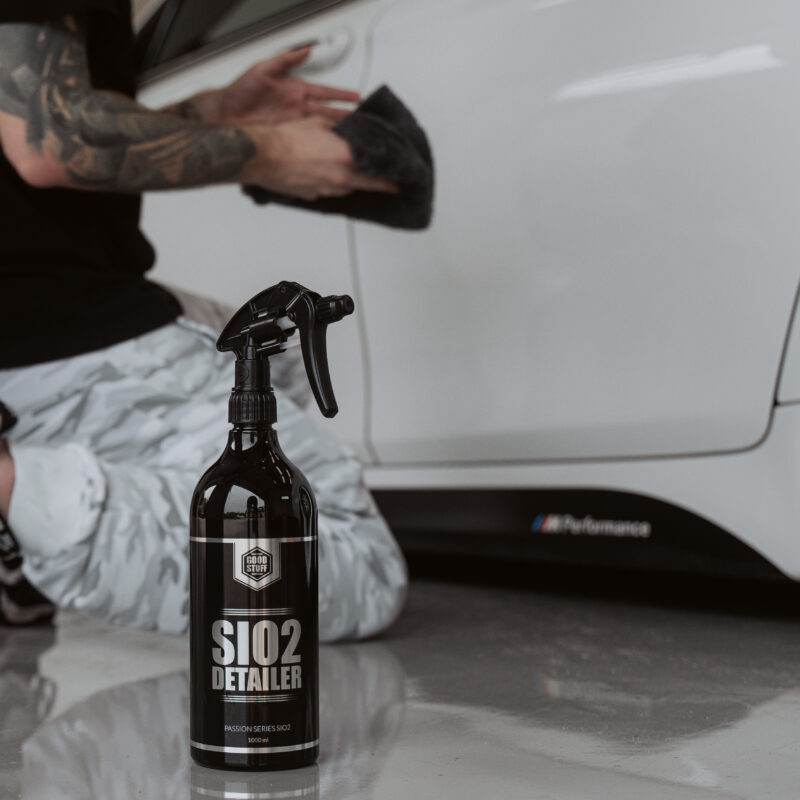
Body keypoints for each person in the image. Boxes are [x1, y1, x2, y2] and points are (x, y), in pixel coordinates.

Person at [0, 1, 408, 640]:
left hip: (47, 305)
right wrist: (265, 151)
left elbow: (29, 120)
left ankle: (22, 540)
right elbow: (51, 140)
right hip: (49, 322)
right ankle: (10, 490)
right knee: (357, 568)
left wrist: (207, 116)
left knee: (271, 353)